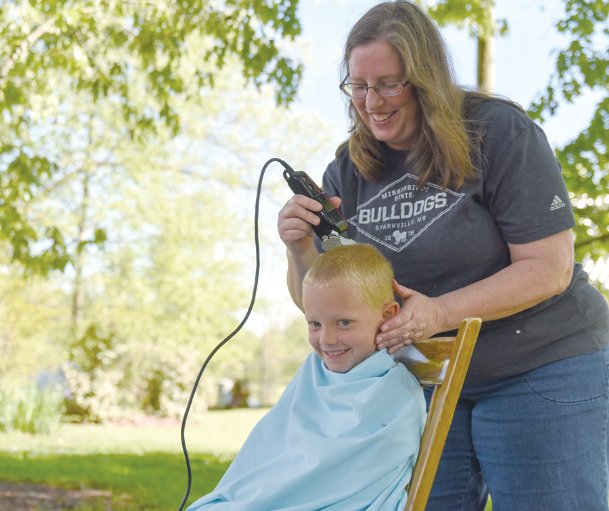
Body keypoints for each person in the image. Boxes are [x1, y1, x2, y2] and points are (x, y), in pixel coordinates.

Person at [277, 2, 609, 510]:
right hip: (427, 381)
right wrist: (299, 248)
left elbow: (549, 269)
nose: (372, 102)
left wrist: (438, 312)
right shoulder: (349, 168)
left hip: (541, 365)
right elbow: (328, 305)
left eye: (389, 84)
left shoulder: (498, 133)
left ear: (425, 79)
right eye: (359, 86)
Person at [187, 244, 426, 510]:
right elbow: (274, 454)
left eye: (344, 322)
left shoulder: (396, 396)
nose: (326, 339)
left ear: (387, 315)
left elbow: (339, 478)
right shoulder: (313, 373)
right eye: (314, 324)